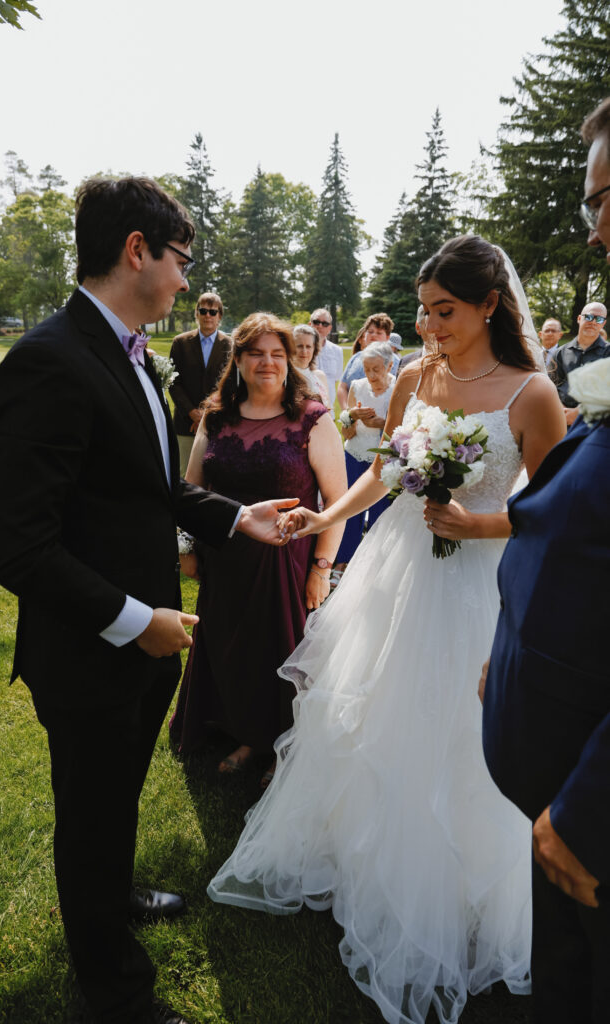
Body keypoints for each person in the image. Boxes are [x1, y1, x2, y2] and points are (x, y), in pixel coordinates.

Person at [208, 234, 566, 1024]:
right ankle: (366, 868)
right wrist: (324, 516)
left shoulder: (530, 395)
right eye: (423, 312)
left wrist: (476, 527)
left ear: (489, 305)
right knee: (369, 717)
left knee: (460, 737)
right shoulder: (413, 376)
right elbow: (381, 468)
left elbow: (551, 510)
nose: (429, 328)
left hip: (476, 584)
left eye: (444, 313)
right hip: (395, 572)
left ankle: (456, 896)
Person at [0, 177, 298, 1024]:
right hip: (90, 649)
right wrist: (135, 621)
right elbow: (17, 547)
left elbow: (150, 489)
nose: (185, 281)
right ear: (136, 252)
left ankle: (111, 896)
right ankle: (115, 990)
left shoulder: (130, 355)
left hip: (147, 643)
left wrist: (238, 517)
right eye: (180, 261)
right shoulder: (50, 360)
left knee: (116, 795)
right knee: (88, 812)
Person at [481, 95, 610, 1024]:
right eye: (591, 204)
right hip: (554, 787)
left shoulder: (536, 386)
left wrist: (593, 803)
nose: (599, 230)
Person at [170, 312, 346, 788]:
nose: (267, 363)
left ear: (290, 361)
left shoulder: (312, 418)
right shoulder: (217, 416)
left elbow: (337, 502)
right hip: (223, 561)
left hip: (288, 565)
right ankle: (244, 734)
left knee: (282, 653)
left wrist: (322, 569)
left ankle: (283, 742)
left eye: (277, 354)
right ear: (239, 360)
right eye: (255, 353)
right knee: (234, 650)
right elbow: (191, 487)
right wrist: (187, 546)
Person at [331, 341, 394, 584]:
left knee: (380, 515)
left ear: (389, 365)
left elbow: (402, 430)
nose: (371, 375)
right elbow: (347, 434)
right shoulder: (357, 386)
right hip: (354, 456)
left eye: (377, 369)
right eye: (367, 369)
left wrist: (382, 424)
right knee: (350, 512)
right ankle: (342, 562)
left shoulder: (397, 388)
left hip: (382, 460)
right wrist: (352, 417)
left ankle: (374, 568)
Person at [169, 292, 232, 473]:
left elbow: (230, 384)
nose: (207, 316)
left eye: (213, 312)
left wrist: (208, 413)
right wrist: (192, 413)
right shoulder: (180, 343)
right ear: (196, 313)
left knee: (216, 473)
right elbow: (173, 382)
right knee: (185, 473)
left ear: (220, 316)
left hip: (218, 421)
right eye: (203, 310)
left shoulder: (229, 345)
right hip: (185, 422)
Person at [551, 300, 609, 426]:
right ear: (579, 318)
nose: (593, 322)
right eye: (588, 317)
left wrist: (579, 413)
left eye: (598, 319)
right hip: (559, 419)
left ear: (603, 324)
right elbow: (550, 387)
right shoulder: (559, 353)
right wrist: (561, 412)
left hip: (595, 424)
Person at [336, 312, 394, 410]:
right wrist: (348, 413)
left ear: (387, 337)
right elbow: (342, 387)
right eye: (370, 331)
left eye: (379, 333)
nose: (373, 335)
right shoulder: (355, 357)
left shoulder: (393, 361)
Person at [311, 307, 343, 413]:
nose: (320, 326)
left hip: (328, 411)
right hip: (306, 410)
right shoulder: (299, 350)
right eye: (316, 322)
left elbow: (336, 379)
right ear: (309, 324)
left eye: (324, 324)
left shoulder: (337, 351)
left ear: (330, 328)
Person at [292, 322, 330, 407]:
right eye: (299, 346)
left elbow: (327, 407)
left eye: (308, 346)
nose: (304, 351)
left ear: (314, 349)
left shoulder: (320, 376)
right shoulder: (285, 377)